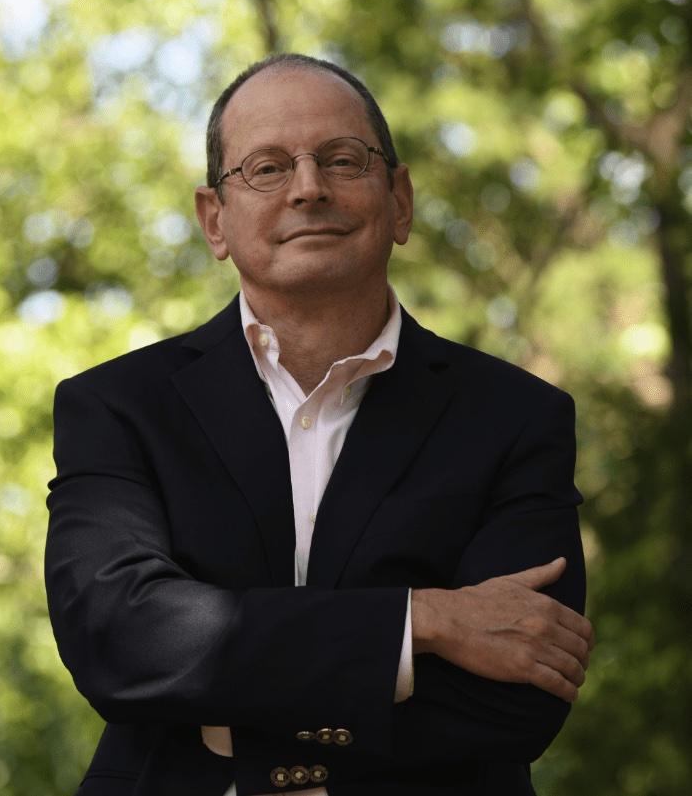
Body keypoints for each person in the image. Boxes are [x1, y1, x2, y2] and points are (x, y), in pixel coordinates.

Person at [45, 53, 594, 796]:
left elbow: (519, 698)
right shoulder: (118, 407)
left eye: (342, 159)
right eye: (267, 168)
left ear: (398, 200)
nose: (309, 187)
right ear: (215, 220)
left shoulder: (517, 417)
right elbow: (120, 638)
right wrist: (421, 621)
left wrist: (221, 706)